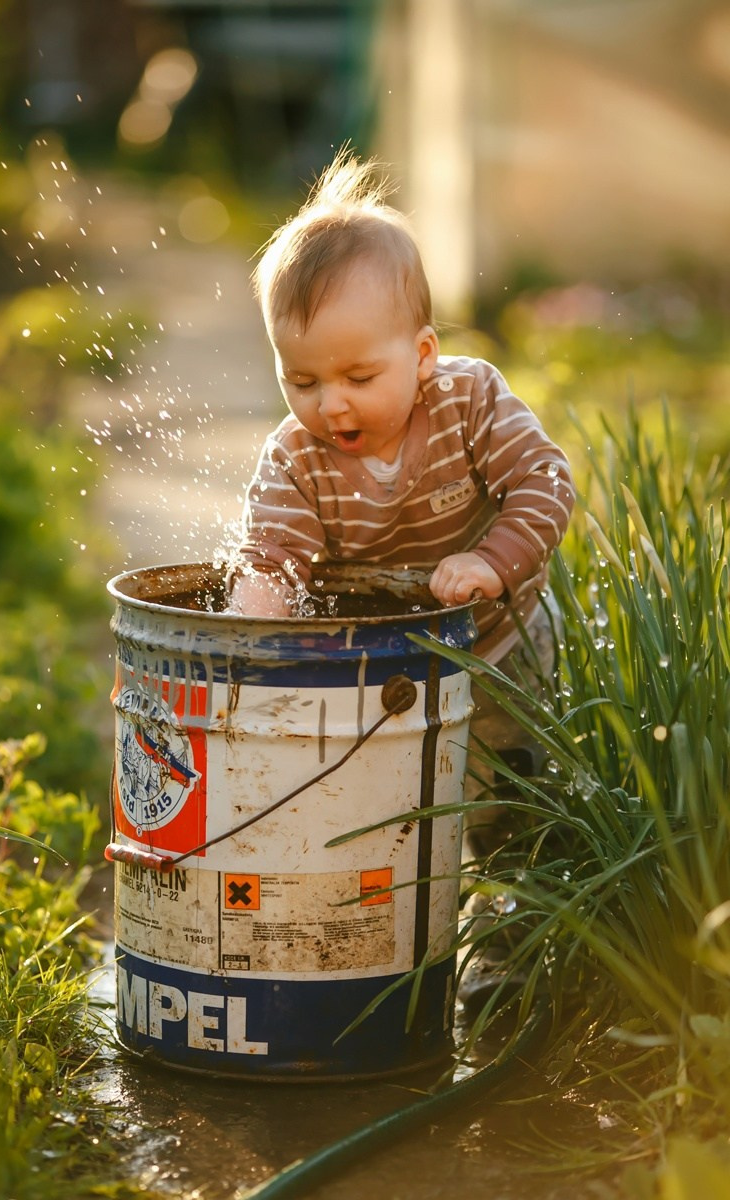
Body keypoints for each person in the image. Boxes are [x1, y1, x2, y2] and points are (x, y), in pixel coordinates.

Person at [227, 149, 576, 992]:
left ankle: (510, 944)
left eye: (358, 375)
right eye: (300, 378)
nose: (329, 403)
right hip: (383, 673)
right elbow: (268, 555)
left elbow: (545, 482)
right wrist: (250, 623)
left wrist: (492, 560)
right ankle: (390, 949)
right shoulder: (298, 457)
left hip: (499, 647)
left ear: (421, 355)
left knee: (505, 796)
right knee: (389, 813)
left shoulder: (469, 400)